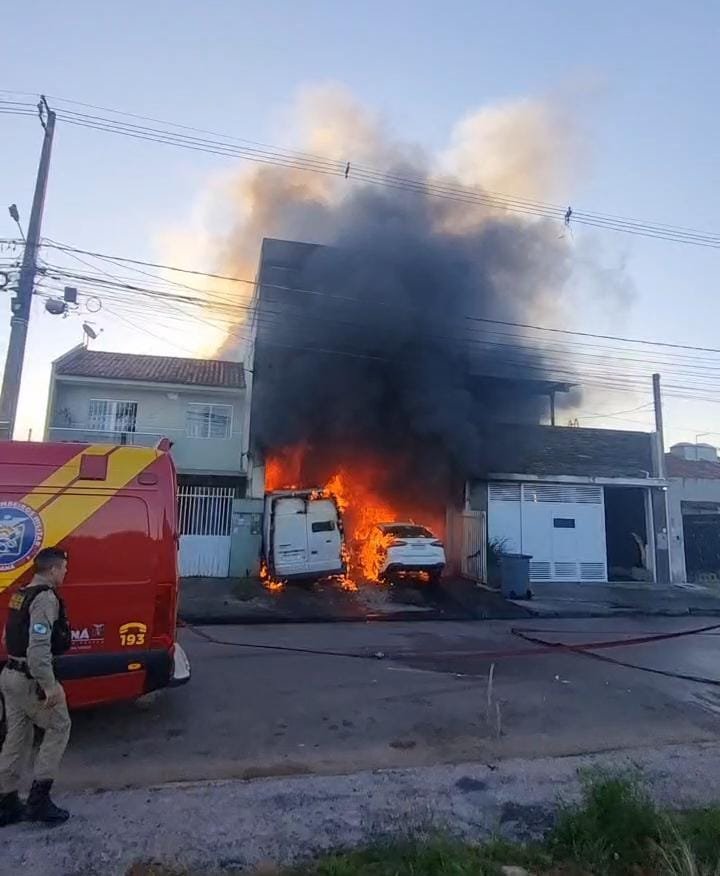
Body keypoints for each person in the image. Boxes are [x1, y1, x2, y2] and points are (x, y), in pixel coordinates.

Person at [0, 546, 72, 826]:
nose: (65, 573)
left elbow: (9, 635)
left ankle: (5, 803)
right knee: (59, 726)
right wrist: (50, 686)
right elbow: (38, 650)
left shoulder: (21, 593)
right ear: (52, 570)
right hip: (30, 678)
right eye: (64, 569)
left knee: (17, 738)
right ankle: (39, 802)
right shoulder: (44, 599)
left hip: (10, 674)